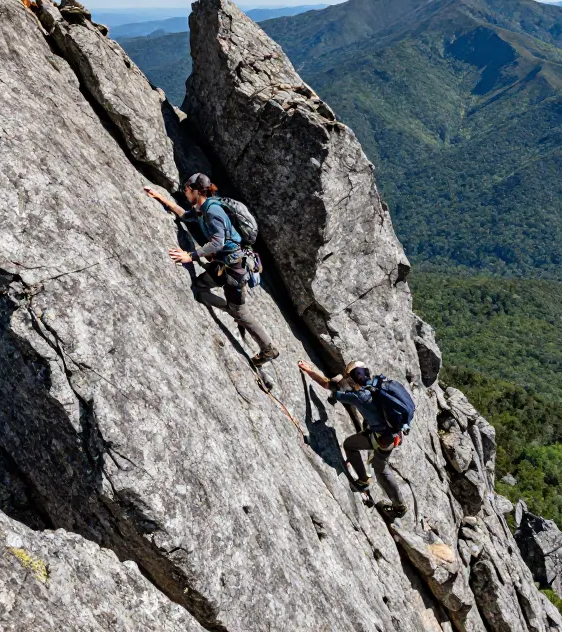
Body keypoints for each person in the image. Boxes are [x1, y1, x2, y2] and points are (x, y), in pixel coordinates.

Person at [145, 174, 279, 366]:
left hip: (234, 269)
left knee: (240, 311)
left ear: (197, 191)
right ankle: (231, 310)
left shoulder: (213, 211)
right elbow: (184, 216)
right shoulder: (201, 209)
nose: (185, 191)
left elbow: (218, 242)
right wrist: (161, 197)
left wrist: (190, 256)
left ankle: (268, 348)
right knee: (199, 289)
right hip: (221, 265)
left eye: (187, 189)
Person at [299, 359, 408, 521]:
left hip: (383, 440)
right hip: (391, 433)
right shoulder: (378, 384)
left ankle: (397, 505)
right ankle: (366, 481)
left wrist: (309, 371)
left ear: (352, 377)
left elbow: (328, 387)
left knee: (380, 468)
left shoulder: (358, 397)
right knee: (354, 446)